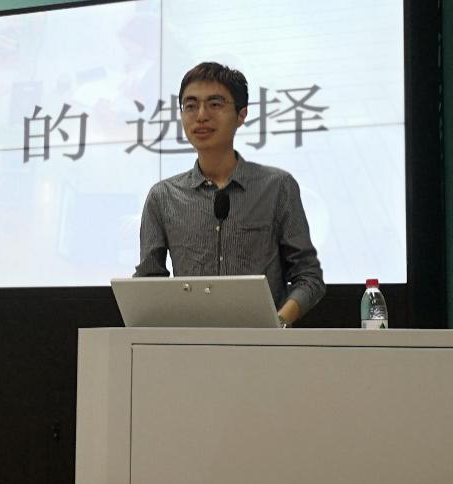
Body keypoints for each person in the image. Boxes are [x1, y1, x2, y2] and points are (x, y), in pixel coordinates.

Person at [134, 62, 325, 327]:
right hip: (190, 344)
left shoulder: (277, 187)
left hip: (264, 344)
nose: (201, 116)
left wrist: (277, 323)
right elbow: (148, 282)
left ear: (241, 114)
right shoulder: (163, 197)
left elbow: (309, 277)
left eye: (215, 104)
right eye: (191, 106)